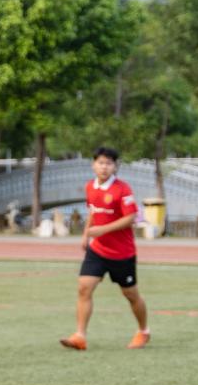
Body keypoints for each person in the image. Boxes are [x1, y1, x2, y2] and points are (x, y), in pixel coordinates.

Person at [60, 147, 150, 351]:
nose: (104, 167)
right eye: (100, 163)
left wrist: (102, 230)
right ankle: (80, 336)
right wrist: (86, 234)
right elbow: (93, 212)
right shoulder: (90, 187)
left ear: (115, 167)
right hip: (98, 250)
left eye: (109, 163)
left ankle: (143, 331)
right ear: (93, 165)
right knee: (84, 287)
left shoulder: (123, 189)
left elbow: (130, 218)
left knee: (131, 295)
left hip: (122, 253)